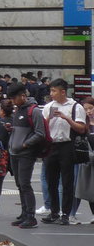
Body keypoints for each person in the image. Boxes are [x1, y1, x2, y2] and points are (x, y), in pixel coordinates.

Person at [40, 78, 87, 225]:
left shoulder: (75, 107)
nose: (51, 94)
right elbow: (42, 129)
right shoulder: (48, 107)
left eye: (54, 91)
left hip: (67, 145)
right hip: (52, 145)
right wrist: (48, 119)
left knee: (67, 181)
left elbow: (81, 128)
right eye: (51, 91)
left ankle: (66, 213)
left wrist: (66, 118)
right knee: (51, 180)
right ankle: (54, 211)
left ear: (63, 92)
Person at [7, 81, 47, 229]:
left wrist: (25, 144)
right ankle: (24, 214)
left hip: (26, 153)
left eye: (14, 98)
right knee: (19, 184)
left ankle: (31, 216)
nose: (12, 101)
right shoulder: (18, 110)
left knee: (25, 184)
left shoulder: (34, 111)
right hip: (14, 152)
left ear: (23, 96)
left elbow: (40, 133)